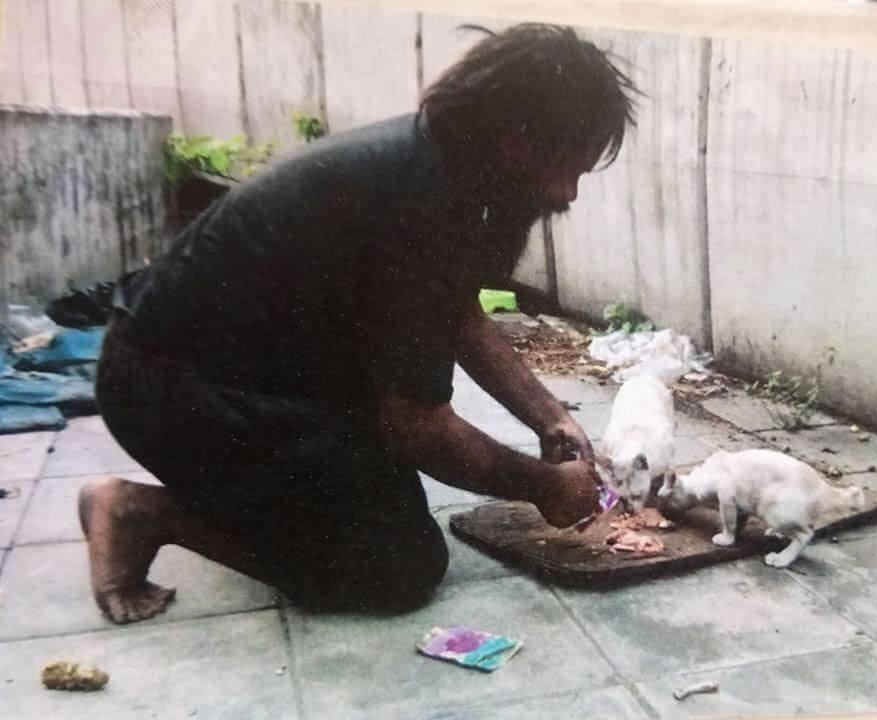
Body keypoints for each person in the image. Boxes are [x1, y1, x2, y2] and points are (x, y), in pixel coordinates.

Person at [80, 23, 639, 624]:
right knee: (395, 565)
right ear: (518, 142)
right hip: (166, 392)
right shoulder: (422, 201)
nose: (571, 192)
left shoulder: (440, 166)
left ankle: (246, 503)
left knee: (379, 504)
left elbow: (454, 311)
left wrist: (549, 415)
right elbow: (416, 426)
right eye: (570, 165)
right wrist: (544, 486)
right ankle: (145, 512)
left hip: (246, 378)